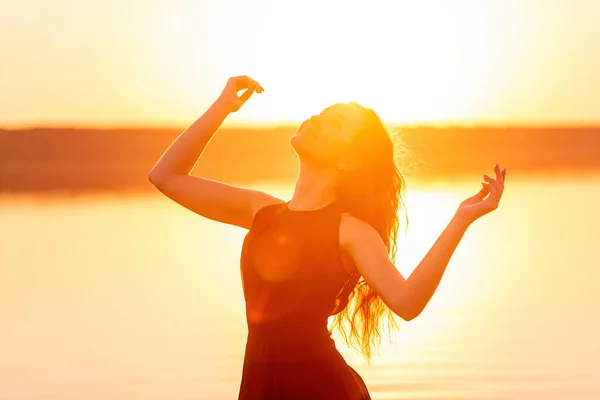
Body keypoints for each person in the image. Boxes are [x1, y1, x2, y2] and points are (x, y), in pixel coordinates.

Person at [148, 75, 507, 399]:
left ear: (348, 161)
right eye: (320, 113)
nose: (316, 119)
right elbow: (166, 176)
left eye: (334, 123)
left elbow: (408, 301)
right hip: (261, 387)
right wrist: (223, 107)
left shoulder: (349, 231)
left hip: (320, 388)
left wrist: (461, 219)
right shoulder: (262, 212)